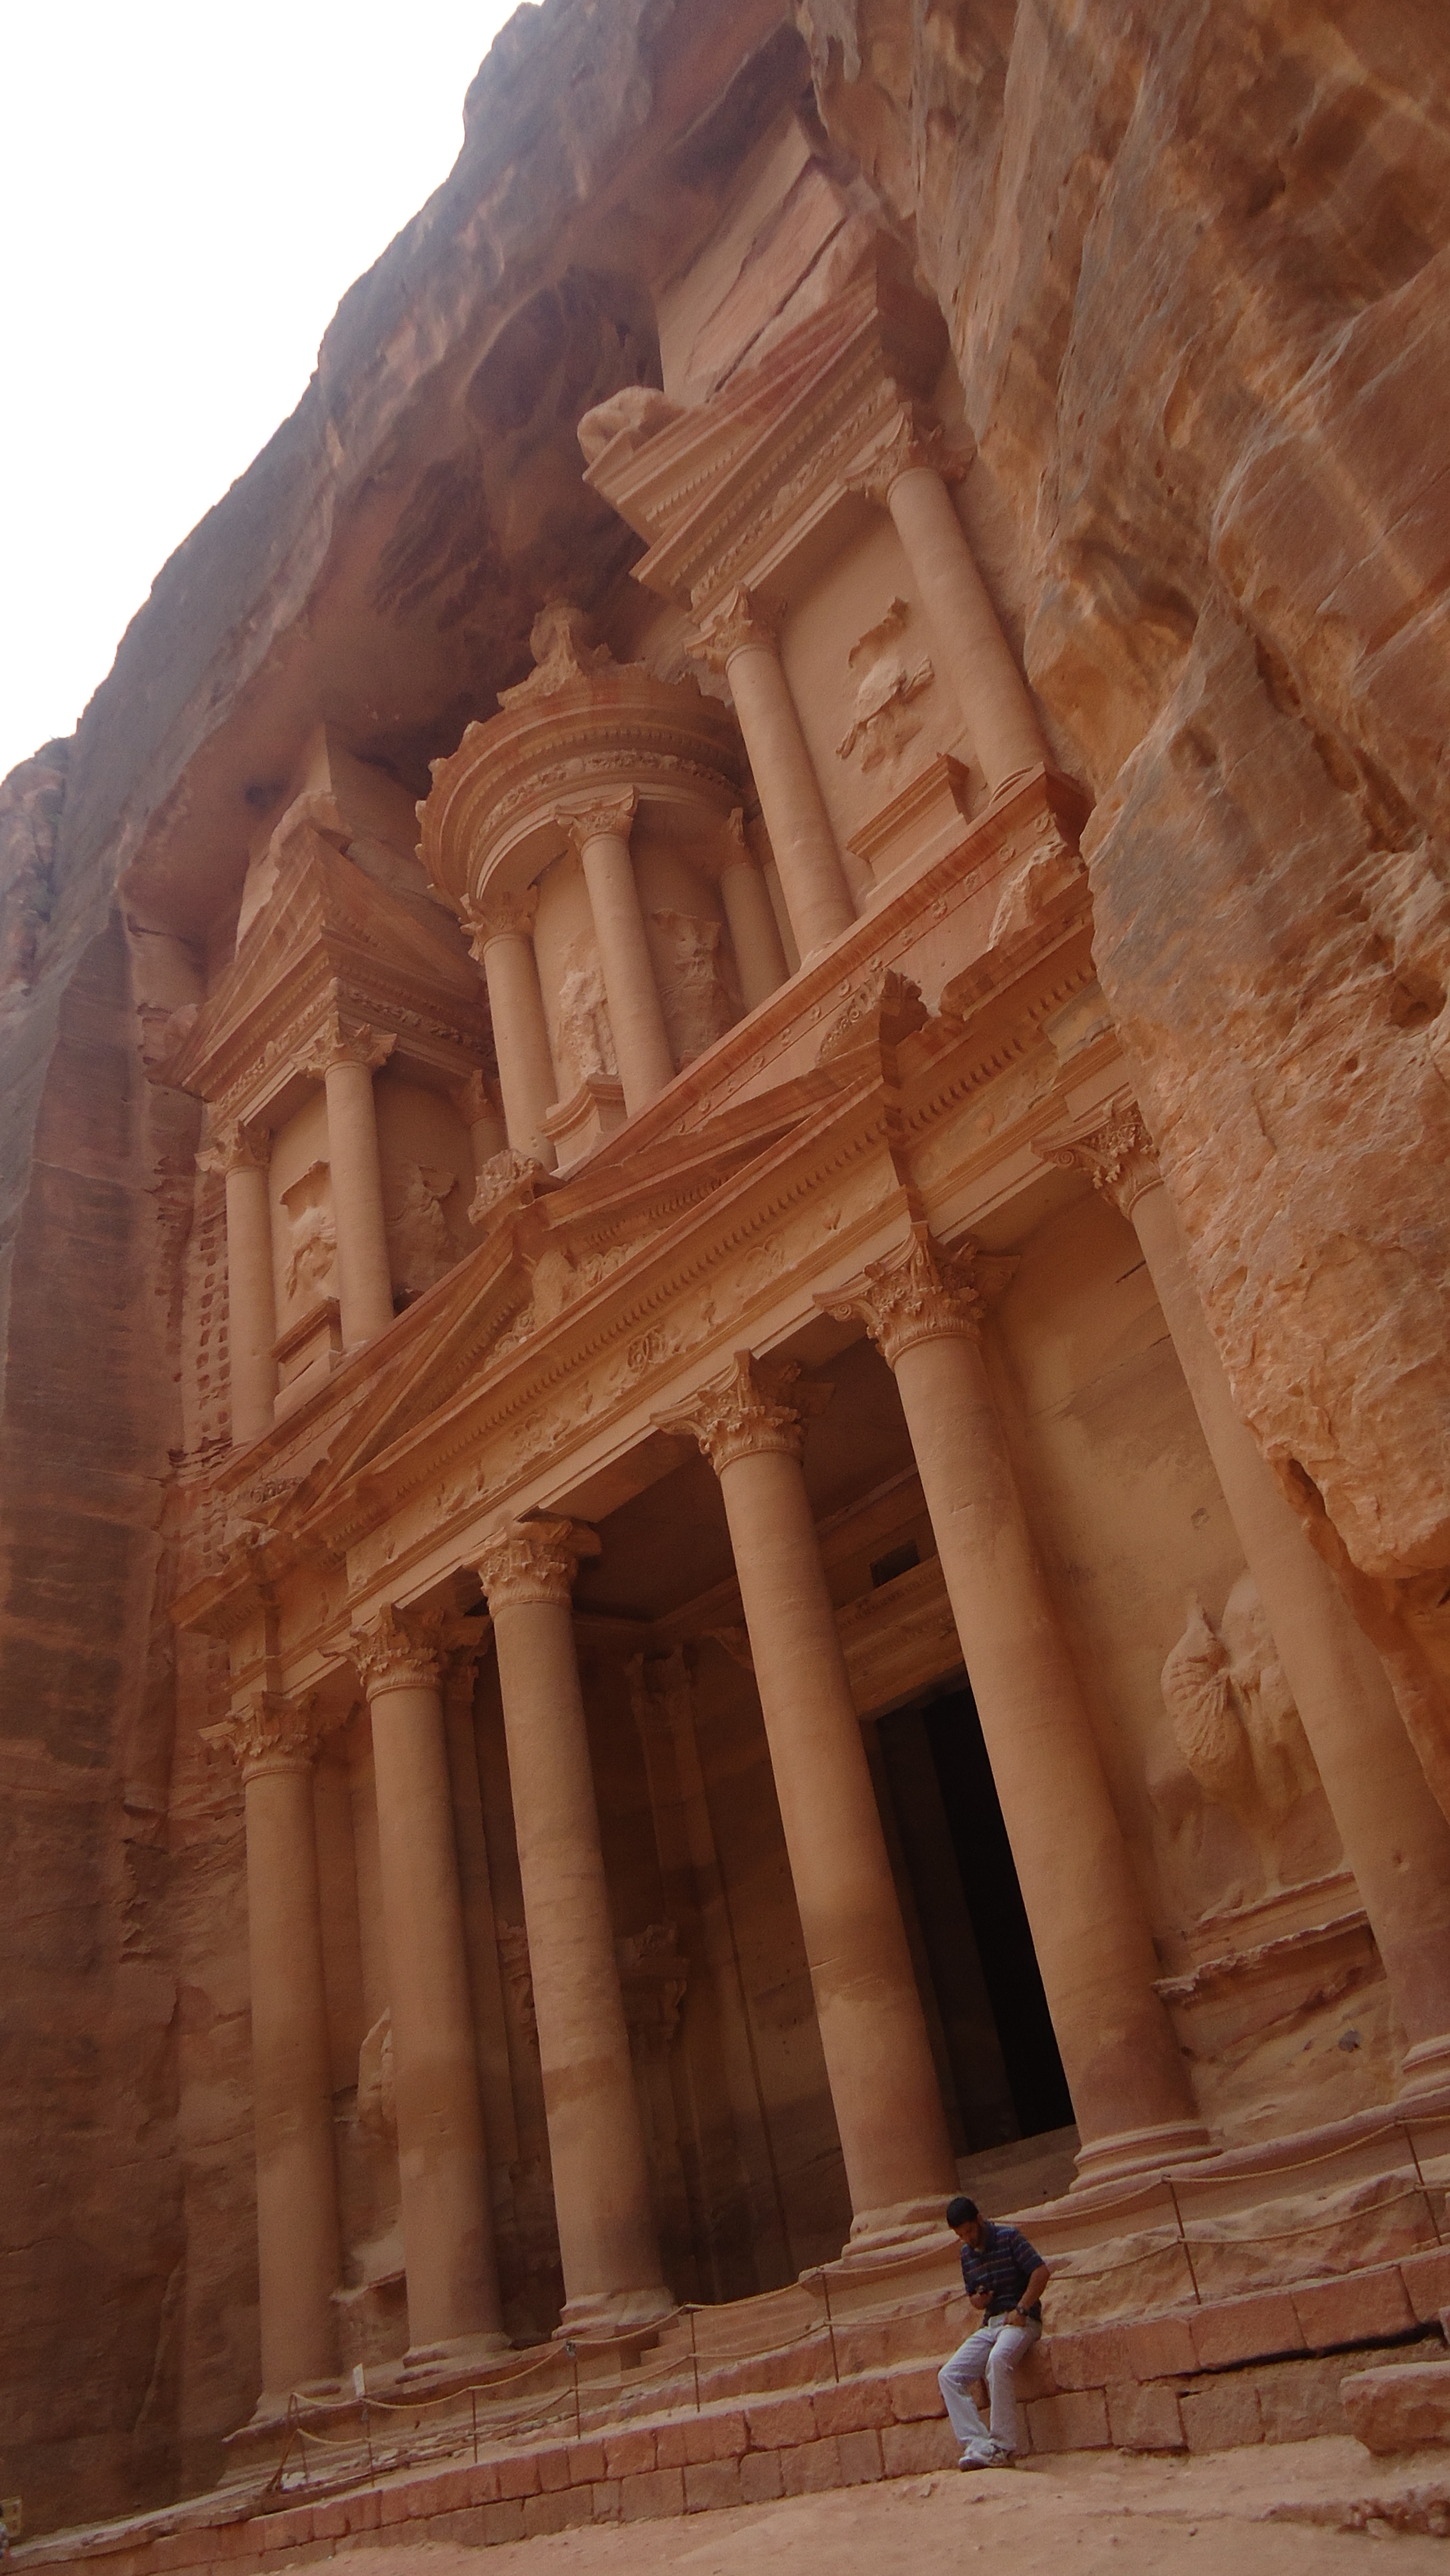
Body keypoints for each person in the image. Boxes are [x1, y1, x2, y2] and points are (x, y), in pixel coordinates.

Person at [938, 2192, 1052, 2468]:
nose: (967, 2239)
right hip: (991, 2323)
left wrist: (1023, 2309)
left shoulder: (1009, 2238)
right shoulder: (966, 2254)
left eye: (969, 2231)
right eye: (961, 2235)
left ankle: (1002, 2446)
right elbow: (973, 2298)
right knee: (949, 2375)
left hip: (1020, 2321)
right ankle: (977, 2444)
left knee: (998, 2361)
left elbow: (1040, 2272)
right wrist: (980, 2300)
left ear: (979, 2220)